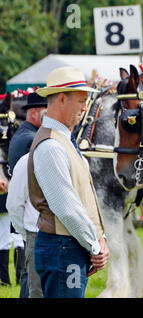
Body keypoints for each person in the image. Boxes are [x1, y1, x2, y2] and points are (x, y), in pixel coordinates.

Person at [29, 66, 109, 298]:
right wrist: (95, 245)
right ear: (62, 98)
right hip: (62, 246)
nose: (86, 107)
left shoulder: (61, 140)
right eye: (82, 100)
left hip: (67, 246)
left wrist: (99, 240)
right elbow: (66, 208)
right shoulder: (51, 145)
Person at [6, 92, 47, 298]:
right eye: (45, 112)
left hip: (28, 213)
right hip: (31, 214)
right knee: (30, 277)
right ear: (33, 113)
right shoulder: (32, 139)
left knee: (28, 274)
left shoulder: (25, 134)